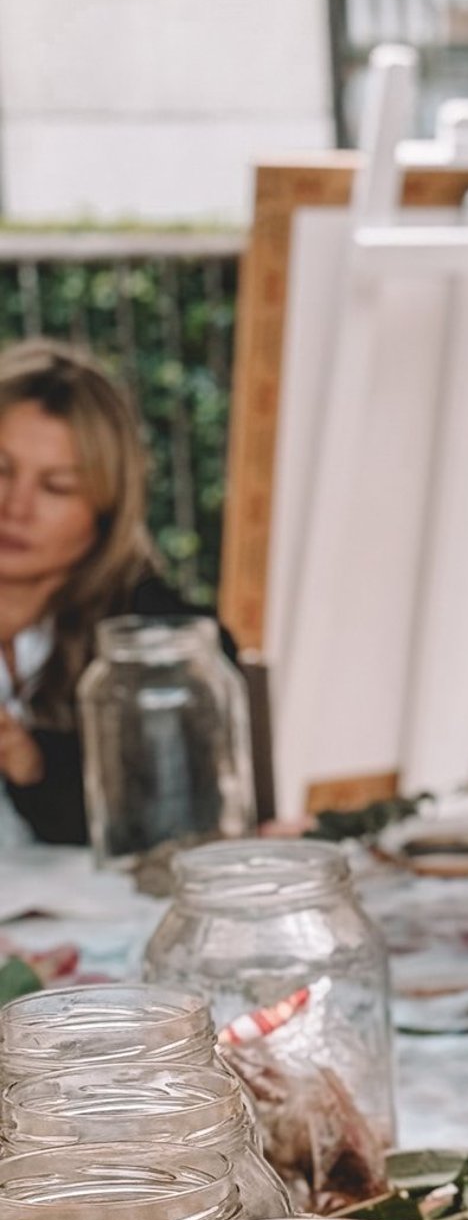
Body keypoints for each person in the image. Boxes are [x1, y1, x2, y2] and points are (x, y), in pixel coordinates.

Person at [0, 339, 232, 849]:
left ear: (106, 509)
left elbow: (173, 831)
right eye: (0, 470)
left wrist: (29, 760)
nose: (15, 507)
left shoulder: (159, 642)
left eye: (57, 487)